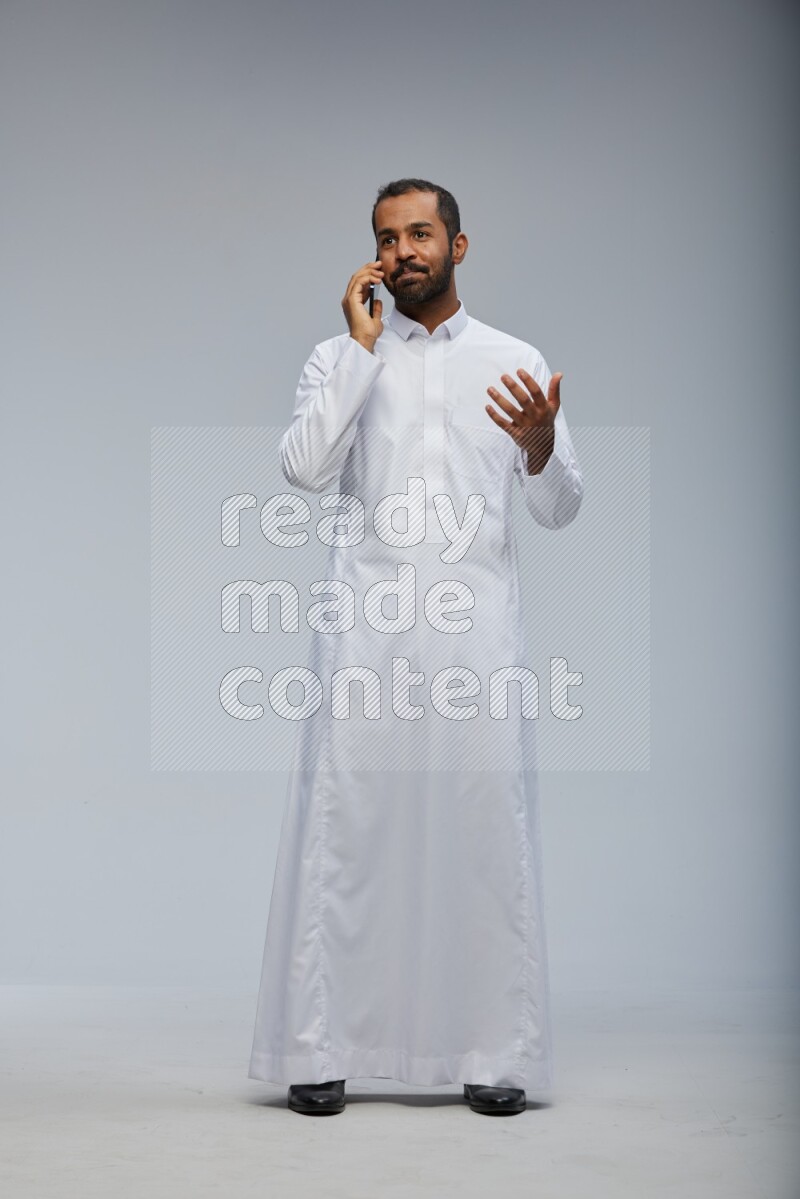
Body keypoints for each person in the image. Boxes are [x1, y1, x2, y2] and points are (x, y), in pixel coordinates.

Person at [249, 178, 584, 1116]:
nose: (403, 251)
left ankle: (495, 1053)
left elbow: (560, 507)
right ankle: (320, 1048)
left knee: (484, 834)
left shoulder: (514, 360)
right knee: (347, 831)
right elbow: (304, 468)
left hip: (477, 638)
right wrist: (361, 355)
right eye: (387, 237)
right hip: (366, 635)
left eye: (421, 233)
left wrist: (540, 445)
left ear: (458, 246)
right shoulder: (338, 357)